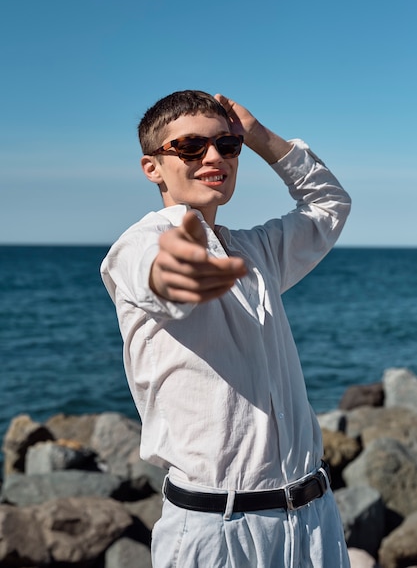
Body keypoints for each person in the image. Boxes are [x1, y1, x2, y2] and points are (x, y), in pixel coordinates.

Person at [100, 90, 352, 568]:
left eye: (225, 145)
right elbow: (154, 276)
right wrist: (174, 272)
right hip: (219, 531)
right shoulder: (140, 244)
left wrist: (259, 137)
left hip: (315, 521)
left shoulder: (254, 251)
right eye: (191, 147)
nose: (213, 157)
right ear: (152, 167)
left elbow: (329, 204)